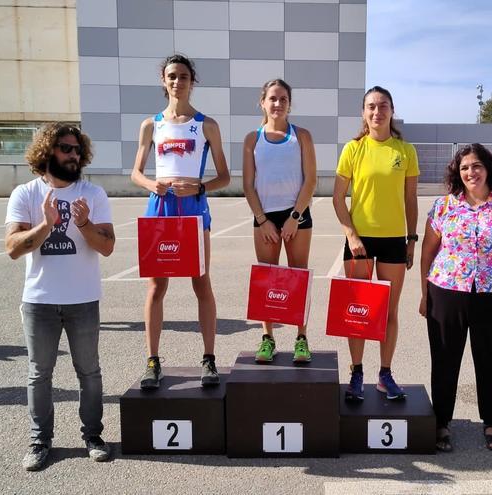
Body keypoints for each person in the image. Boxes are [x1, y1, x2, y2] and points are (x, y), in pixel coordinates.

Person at [5, 122, 115, 471]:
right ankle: (40, 441)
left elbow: (108, 247)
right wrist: (47, 225)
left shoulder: (93, 194)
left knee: (89, 372)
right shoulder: (25, 194)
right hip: (39, 301)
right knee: (39, 374)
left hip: (82, 299)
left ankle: (93, 436)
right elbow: (12, 248)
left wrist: (83, 225)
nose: (73, 155)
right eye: (66, 148)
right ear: (47, 151)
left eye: (77, 149)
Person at [130, 54, 230, 390]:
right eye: (172, 76)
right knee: (157, 287)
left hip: (193, 209)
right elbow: (135, 173)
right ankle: (153, 361)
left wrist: (200, 185)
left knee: (201, 284)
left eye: (184, 76)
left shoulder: (206, 125)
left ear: (192, 81)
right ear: (163, 80)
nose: (177, 82)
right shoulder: (151, 125)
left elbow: (225, 177)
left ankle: (209, 359)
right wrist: (150, 184)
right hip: (159, 208)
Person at [418, 144, 492, 453]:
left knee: (489, 360)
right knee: (444, 360)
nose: (471, 172)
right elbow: (427, 253)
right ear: (458, 173)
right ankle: (441, 423)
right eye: (465, 167)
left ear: (489, 168)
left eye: (476, 166)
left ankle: (491, 422)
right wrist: (425, 295)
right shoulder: (444, 206)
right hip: (447, 293)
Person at [333, 86, 419, 402]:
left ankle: (385, 373)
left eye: (383, 106)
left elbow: (411, 199)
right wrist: (351, 236)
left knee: (388, 312)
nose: (377, 111)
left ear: (391, 111)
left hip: (394, 241)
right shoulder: (353, 149)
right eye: (371, 106)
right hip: (359, 242)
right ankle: (356, 373)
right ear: (363, 112)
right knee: (359, 311)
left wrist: (411, 238)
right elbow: (337, 198)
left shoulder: (405, 151)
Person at [242, 79, 317, 363]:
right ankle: (268, 339)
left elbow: (311, 180)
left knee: (298, 278)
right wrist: (262, 220)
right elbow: (248, 185)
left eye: (283, 99)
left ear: (289, 104)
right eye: (272, 98)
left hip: (296, 216)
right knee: (267, 279)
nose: (278, 104)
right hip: (265, 218)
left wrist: (294, 217)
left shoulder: (303, 136)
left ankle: (301, 339)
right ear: (262, 102)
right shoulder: (253, 138)